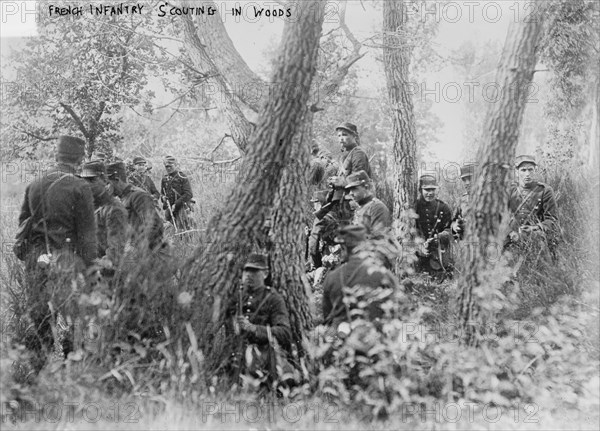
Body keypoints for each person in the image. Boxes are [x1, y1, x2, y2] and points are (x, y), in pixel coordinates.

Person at [16, 135, 98, 365]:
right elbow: (87, 235)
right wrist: (91, 269)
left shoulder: (34, 184)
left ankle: (38, 366)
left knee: (39, 313)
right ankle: (71, 365)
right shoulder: (80, 186)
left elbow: (23, 223)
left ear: (56, 155)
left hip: (36, 257)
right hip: (67, 257)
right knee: (75, 315)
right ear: (80, 158)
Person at [225, 253, 293, 389]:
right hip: (239, 353)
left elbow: (285, 333)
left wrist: (253, 328)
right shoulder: (236, 298)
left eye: (255, 271)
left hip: (265, 355)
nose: (249, 275)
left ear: (265, 274)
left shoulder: (273, 298)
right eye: (246, 270)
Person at [322, 225, 398, 331]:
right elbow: (396, 312)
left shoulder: (331, 277)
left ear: (343, 248)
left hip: (341, 340)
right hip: (373, 338)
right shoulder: (382, 274)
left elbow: (327, 315)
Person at [106, 161, 164, 253]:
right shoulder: (123, 198)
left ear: (117, 180)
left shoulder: (138, 196)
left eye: (108, 183)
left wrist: (137, 248)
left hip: (148, 253)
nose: (106, 188)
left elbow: (154, 226)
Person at [80, 161, 128, 268]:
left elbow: (115, 251)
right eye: (83, 180)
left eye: (91, 180)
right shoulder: (85, 206)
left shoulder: (114, 209)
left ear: (104, 180)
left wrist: (98, 264)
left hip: (104, 273)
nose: (86, 184)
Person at [505, 155, 558, 252]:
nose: (527, 174)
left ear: (535, 171)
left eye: (530, 170)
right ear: (516, 172)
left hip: (536, 236)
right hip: (512, 236)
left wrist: (534, 227)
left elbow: (552, 219)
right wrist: (510, 232)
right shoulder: (509, 190)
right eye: (523, 170)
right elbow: (499, 218)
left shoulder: (545, 191)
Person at [414, 174, 453, 275]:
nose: (430, 193)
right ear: (420, 190)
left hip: (437, 254)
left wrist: (438, 237)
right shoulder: (414, 207)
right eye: (427, 190)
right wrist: (419, 246)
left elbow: (449, 231)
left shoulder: (443, 208)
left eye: (433, 189)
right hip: (416, 253)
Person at [345, 170, 392, 236]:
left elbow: (380, 239)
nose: (351, 193)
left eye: (354, 189)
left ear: (366, 187)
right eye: (350, 190)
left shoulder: (377, 207)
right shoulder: (360, 207)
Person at [160, 155, 194, 231]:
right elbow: (162, 193)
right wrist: (163, 198)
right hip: (169, 208)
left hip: (182, 207)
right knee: (170, 229)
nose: (168, 168)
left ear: (175, 165)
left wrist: (177, 203)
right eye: (166, 167)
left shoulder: (182, 177)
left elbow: (188, 194)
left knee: (183, 229)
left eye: (170, 166)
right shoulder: (164, 179)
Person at [451, 163, 475, 240]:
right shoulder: (462, 200)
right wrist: (456, 227)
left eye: (470, 178)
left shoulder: (490, 198)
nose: (467, 183)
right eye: (464, 180)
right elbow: (453, 222)